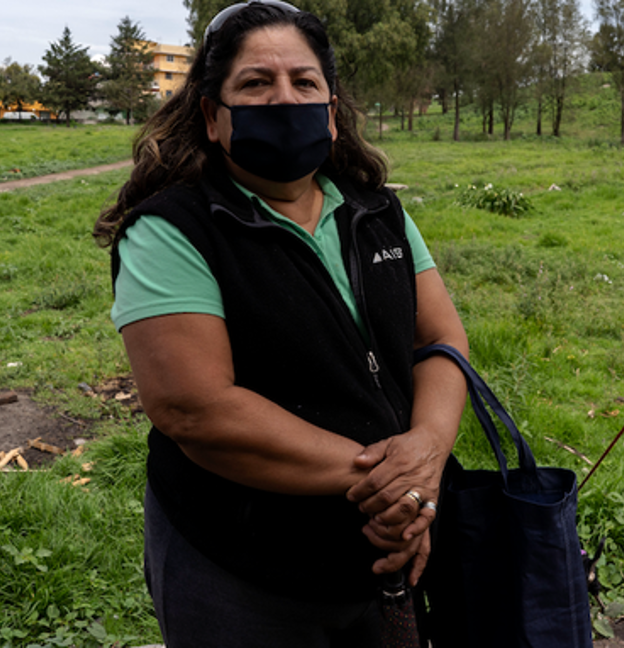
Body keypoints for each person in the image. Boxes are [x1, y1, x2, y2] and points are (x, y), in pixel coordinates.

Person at [92, 1, 469, 645]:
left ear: (330, 107)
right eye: (256, 84)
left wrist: (429, 451)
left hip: (386, 548)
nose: (283, 98)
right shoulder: (172, 230)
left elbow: (440, 339)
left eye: (303, 81)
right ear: (213, 116)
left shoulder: (376, 212)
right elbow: (196, 410)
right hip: (242, 564)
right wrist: (391, 483)